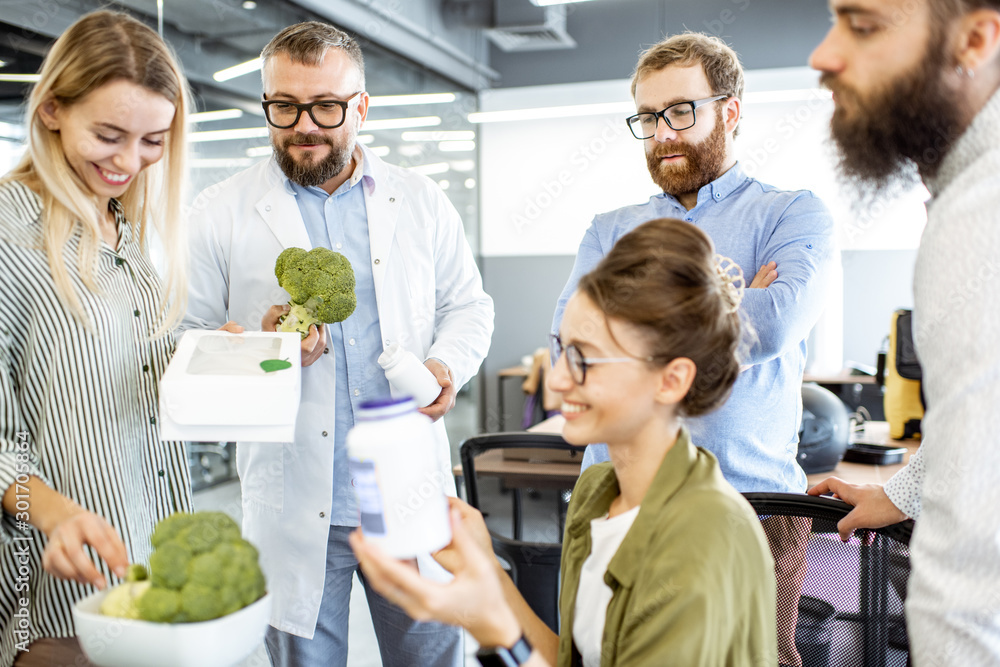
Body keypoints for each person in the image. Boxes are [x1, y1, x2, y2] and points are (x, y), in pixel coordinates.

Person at [182, 21, 494, 667]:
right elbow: (184, 345)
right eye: (284, 106)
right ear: (266, 103)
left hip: (405, 490)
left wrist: (443, 365)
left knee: (433, 657)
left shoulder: (421, 199)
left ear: (361, 106)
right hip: (296, 501)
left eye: (326, 105)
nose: (305, 125)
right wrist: (262, 353)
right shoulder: (219, 211)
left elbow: (469, 304)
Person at [352, 217, 778, 667]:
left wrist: (493, 625)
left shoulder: (703, 538)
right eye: (560, 348)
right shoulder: (597, 491)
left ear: (671, 379)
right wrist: (486, 571)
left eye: (584, 359)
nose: (555, 380)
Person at [551, 32, 835, 666]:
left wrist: (626, 327)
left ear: (729, 110)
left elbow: (780, 322)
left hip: (753, 503)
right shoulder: (610, 228)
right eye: (648, 118)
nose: (662, 133)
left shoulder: (791, 213)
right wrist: (731, 301)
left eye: (681, 111)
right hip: (615, 494)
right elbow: (568, 344)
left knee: (762, 658)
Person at [0, 10, 200, 667]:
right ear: (53, 108)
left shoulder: (124, 230)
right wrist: (58, 515)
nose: (128, 162)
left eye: (152, 141)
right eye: (109, 135)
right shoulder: (8, 233)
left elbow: (124, 384)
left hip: (154, 573)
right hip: (64, 602)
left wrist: (211, 359)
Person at [807, 1, 1000, 663]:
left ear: (976, 40)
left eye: (861, 25)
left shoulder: (983, 208)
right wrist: (903, 491)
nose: (823, 54)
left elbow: (970, 579)